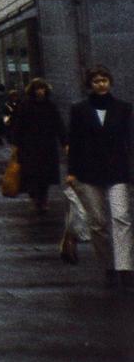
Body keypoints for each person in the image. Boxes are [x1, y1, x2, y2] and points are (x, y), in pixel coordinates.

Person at [66, 66, 132, 290]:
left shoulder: (124, 108)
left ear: (110, 82)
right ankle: (108, 266)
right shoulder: (79, 110)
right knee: (98, 223)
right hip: (88, 173)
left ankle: (125, 267)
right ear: (90, 85)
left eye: (104, 80)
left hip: (118, 172)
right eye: (96, 81)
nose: (101, 84)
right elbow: (74, 142)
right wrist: (71, 172)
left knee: (121, 218)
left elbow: (130, 141)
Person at [11, 78, 65, 213]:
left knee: (45, 174)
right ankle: (36, 196)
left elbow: (58, 124)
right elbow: (18, 125)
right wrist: (16, 143)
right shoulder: (25, 105)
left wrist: (65, 141)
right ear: (33, 91)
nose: (40, 91)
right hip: (30, 145)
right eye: (37, 89)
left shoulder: (50, 105)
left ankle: (43, 198)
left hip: (47, 145)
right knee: (33, 172)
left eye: (42, 89)